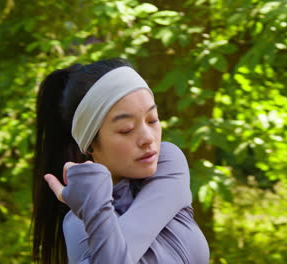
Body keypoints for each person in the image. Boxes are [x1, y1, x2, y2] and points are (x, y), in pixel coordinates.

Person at [32, 58, 209, 264]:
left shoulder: (167, 164)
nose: (148, 138)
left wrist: (92, 204)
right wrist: (93, 203)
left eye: (152, 120)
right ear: (90, 144)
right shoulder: (77, 224)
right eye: (126, 129)